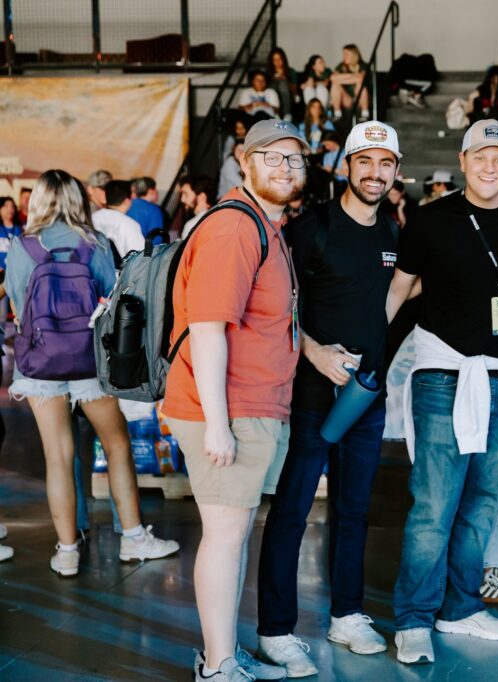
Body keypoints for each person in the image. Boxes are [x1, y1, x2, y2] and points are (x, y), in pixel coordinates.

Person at [162, 119, 309, 682]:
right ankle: (217, 665)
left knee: (234, 532)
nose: (283, 167)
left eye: (293, 159)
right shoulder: (234, 228)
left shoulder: (264, 225)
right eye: (270, 157)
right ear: (244, 164)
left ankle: (223, 652)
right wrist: (219, 424)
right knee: (224, 535)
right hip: (225, 408)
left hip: (250, 405)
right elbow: (206, 327)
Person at [385, 120, 498, 665]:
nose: (490, 167)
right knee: (435, 505)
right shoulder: (429, 221)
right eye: (480, 157)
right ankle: (414, 618)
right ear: (464, 159)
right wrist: (369, 360)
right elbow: (398, 292)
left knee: (482, 505)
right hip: (444, 378)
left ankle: (461, 607)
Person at [256, 121, 401, 674]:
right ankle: (275, 629)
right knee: (292, 508)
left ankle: (347, 614)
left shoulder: (390, 230)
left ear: (394, 169)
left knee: (355, 509)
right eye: (365, 162)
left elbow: (385, 300)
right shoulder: (310, 228)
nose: (374, 173)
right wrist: (314, 353)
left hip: (365, 396)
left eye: (384, 164)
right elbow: (277, 307)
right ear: (347, 166)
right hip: (313, 392)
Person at [7, 170, 179, 578]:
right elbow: (111, 301)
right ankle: (134, 538)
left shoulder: (22, 246)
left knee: (58, 456)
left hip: (39, 366)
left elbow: (17, 305)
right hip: (87, 363)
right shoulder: (94, 244)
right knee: (116, 443)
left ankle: (67, 551)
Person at [91, 180, 144, 262]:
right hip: (116, 273)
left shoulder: (92, 217)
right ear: (127, 201)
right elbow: (139, 258)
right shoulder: (129, 224)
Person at [330, 45, 371, 122]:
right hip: (347, 99)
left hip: (361, 99)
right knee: (335, 85)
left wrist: (340, 78)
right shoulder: (341, 66)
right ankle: (337, 114)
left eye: (346, 54)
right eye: (343, 54)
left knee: (360, 85)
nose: (344, 56)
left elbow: (361, 78)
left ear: (354, 55)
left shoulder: (363, 65)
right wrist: (354, 76)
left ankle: (365, 113)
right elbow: (332, 78)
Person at [267, 47, 299, 122]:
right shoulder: (268, 73)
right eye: (275, 60)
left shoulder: (291, 71)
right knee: (274, 84)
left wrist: (285, 80)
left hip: (288, 97)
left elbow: (295, 90)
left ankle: (287, 115)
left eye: (280, 59)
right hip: (273, 100)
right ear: (271, 61)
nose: (278, 62)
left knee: (282, 83)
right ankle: (275, 115)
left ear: (283, 59)